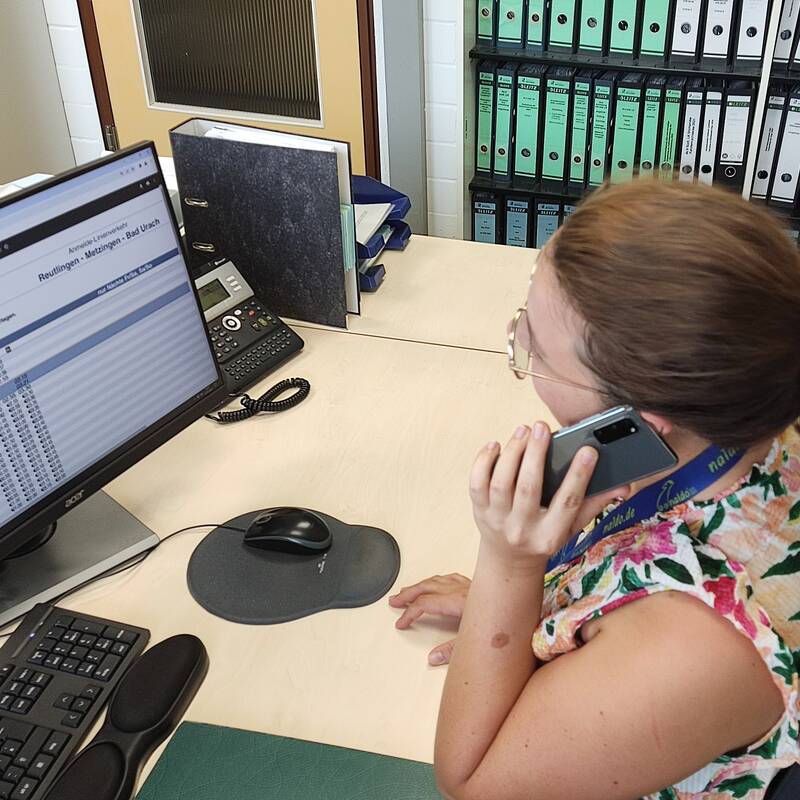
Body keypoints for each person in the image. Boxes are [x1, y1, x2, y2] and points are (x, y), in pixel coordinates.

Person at [390, 181, 800, 800]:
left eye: (533, 346)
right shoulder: (749, 414)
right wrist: (532, 604)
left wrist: (510, 564)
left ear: (639, 422)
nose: (521, 342)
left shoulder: (696, 647)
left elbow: (473, 782)